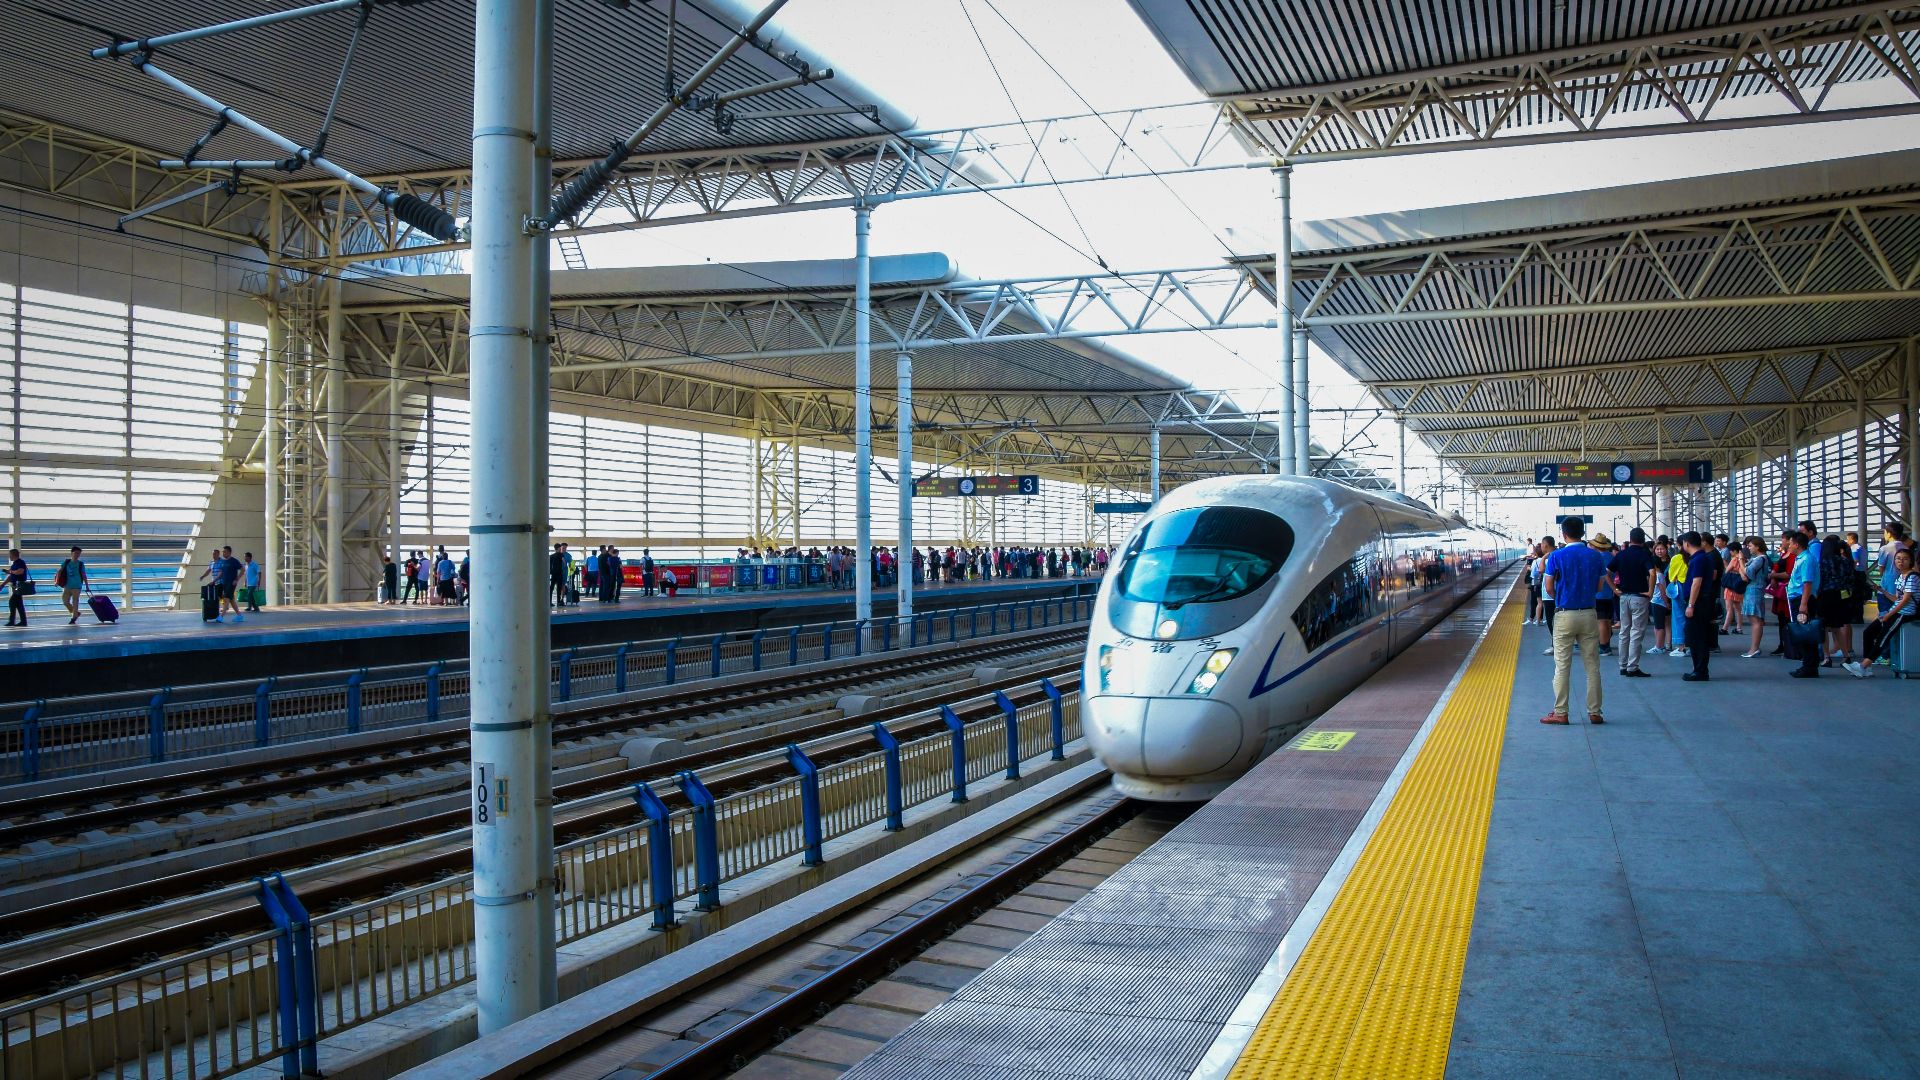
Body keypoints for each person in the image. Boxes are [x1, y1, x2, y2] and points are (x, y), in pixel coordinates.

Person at [1540, 517, 1611, 726]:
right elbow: (1599, 587)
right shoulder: (1596, 557)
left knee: (1562, 666)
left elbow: (1549, 586)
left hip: (1564, 614)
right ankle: (1595, 712)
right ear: (1583, 532)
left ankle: (1561, 712)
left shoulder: (1556, 556)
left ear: (1563, 534)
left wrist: (1561, 597)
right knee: (1592, 666)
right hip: (1589, 614)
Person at [1849, 547, 1916, 677]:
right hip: (1896, 611)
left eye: (1905, 559)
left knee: (1883, 637)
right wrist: (1882, 590)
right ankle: (1866, 666)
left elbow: (1905, 600)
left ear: (1911, 561)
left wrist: (1888, 615)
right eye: (1898, 559)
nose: (1900, 561)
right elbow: (1897, 599)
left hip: (1905, 613)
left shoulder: (1912, 577)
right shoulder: (1900, 577)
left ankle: (1863, 666)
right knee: (1869, 633)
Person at [1608, 527, 1657, 677]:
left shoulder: (1621, 555)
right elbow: (1652, 572)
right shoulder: (1644, 555)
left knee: (1624, 631)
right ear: (1643, 540)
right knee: (1636, 632)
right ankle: (1632, 667)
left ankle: (1622, 666)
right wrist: (1650, 591)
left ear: (1630, 539)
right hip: (1639, 597)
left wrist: (1615, 589)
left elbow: (1607, 573)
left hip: (1624, 597)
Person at [1679, 532, 1719, 681]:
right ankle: (1698, 669)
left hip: (1699, 603)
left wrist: (1691, 605)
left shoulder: (1698, 560)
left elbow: (1697, 582)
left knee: (1698, 637)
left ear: (1687, 543)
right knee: (1697, 636)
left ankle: (1700, 671)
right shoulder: (1702, 558)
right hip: (1702, 602)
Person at [1786, 531, 1821, 679]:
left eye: (1790, 543)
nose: (1789, 545)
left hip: (1802, 599)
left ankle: (1810, 666)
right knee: (1803, 632)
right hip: (1798, 598)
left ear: (1797, 544)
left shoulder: (1806, 559)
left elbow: (1807, 583)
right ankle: (1808, 664)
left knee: (1805, 632)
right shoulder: (1801, 558)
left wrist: (1803, 604)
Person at [1738, 537, 1772, 658]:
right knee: (1755, 619)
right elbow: (1744, 574)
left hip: (1755, 589)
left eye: (1751, 546)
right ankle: (1754, 648)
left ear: (1757, 546)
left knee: (1756, 620)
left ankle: (1754, 648)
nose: (1748, 548)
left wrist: (1741, 560)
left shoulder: (1759, 559)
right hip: (1754, 588)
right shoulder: (1757, 559)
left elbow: (1746, 572)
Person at [1589, 534, 1619, 656]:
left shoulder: (1597, 558)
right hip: (1608, 595)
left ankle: (1603, 646)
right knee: (1607, 621)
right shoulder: (1611, 556)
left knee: (1600, 621)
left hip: (1599, 593)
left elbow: (1603, 574)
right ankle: (1606, 644)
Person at [1647, 537, 1671, 656]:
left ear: (1666, 549)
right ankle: (1664, 644)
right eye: (1657, 549)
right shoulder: (1655, 564)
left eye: (1662, 549)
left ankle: (1662, 645)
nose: (1659, 551)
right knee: (1664, 622)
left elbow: (1660, 586)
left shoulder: (1669, 562)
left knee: (1662, 623)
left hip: (1664, 596)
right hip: (1662, 596)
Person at [54, 546, 88, 626]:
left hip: (77, 585)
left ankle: (73, 618)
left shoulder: (80, 564)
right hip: (67, 585)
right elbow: (59, 572)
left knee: (75, 601)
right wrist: (57, 581)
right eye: (76, 553)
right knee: (65, 601)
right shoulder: (66, 562)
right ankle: (75, 613)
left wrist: (87, 585)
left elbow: (83, 575)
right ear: (72, 553)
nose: (77, 555)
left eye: (79, 553)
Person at [6, 548, 29, 627]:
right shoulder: (15, 563)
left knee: (12, 602)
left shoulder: (20, 562)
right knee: (19, 604)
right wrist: (3, 584)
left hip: (19, 586)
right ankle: (22, 621)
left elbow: (20, 571)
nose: (9, 557)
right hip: (15, 586)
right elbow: (11, 576)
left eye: (10, 555)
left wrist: (11, 571)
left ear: (13, 555)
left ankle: (12, 621)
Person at [550, 543, 570, 607]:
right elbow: (564, 563)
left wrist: (551, 572)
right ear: (558, 548)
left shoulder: (551, 556)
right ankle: (559, 602)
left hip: (553, 574)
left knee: (551, 587)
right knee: (559, 588)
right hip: (559, 573)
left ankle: (549, 601)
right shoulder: (561, 555)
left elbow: (549, 566)